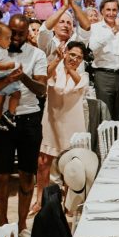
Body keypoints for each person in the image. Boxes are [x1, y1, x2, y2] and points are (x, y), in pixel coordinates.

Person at [0, 16, 47, 237]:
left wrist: (22, 76)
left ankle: (23, 223)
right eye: (12, 33)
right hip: (2, 121)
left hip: (29, 119)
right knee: (2, 176)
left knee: (27, 175)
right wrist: (6, 80)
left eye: (20, 34)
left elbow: (42, 89)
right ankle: (3, 222)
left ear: (28, 33)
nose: (15, 38)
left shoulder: (38, 55)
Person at [37, 41, 90, 200]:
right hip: (52, 122)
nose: (75, 59)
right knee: (43, 162)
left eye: (79, 57)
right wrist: (57, 60)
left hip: (72, 125)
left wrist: (68, 67)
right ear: (66, 52)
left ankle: (69, 202)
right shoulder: (56, 70)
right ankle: (40, 199)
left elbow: (78, 81)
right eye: (72, 54)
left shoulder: (83, 76)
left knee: (71, 165)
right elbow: (43, 76)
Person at [89, 0, 119, 121]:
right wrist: (112, 32)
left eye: (114, 10)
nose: (111, 13)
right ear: (102, 11)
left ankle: (116, 140)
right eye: (108, 10)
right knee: (105, 115)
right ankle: (105, 141)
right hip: (103, 75)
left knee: (118, 116)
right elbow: (93, 47)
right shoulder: (95, 28)